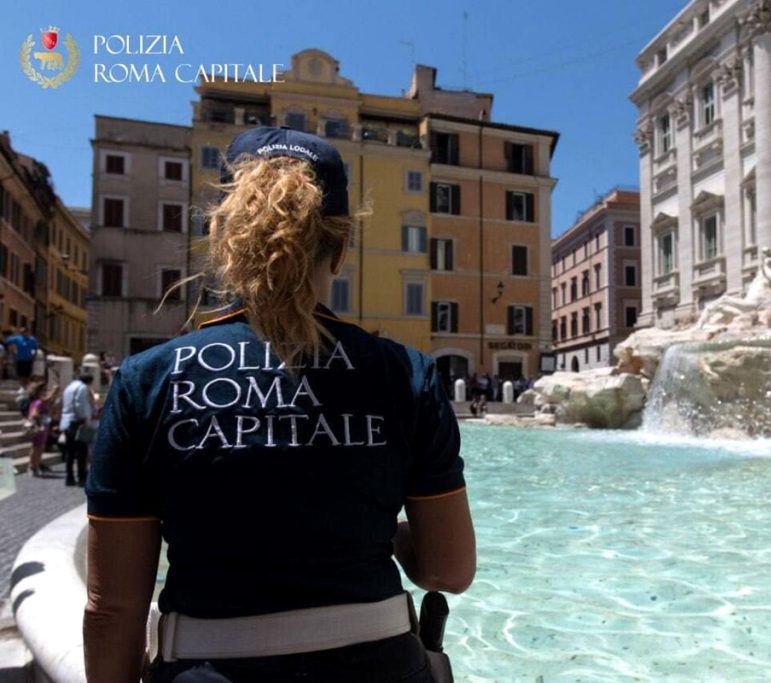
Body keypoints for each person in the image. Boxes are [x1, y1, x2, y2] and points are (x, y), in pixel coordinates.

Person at [83, 126, 475, 683]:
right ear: (341, 248)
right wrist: (372, 521)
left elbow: (113, 609)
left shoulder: (147, 379)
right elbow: (449, 570)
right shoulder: (405, 373)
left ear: (222, 237)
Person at [60, 372, 95, 487]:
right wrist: (85, 419)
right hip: (78, 422)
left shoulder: (68, 388)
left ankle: (69, 477)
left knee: (70, 452)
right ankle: (81, 477)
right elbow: (81, 405)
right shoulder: (82, 387)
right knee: (82, 451)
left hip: (67, 421)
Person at [26, 381, 57, 477]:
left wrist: (54, 392)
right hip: (39, 426)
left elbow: (50, 400)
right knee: (36, 448)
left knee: (40, 447)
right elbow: (34, 414)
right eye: (43, 390)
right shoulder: (38, 402)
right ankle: (32, 466)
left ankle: (36, 466)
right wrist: (54, 390)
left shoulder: (39, 402)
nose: (45, 392)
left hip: (43, 427)